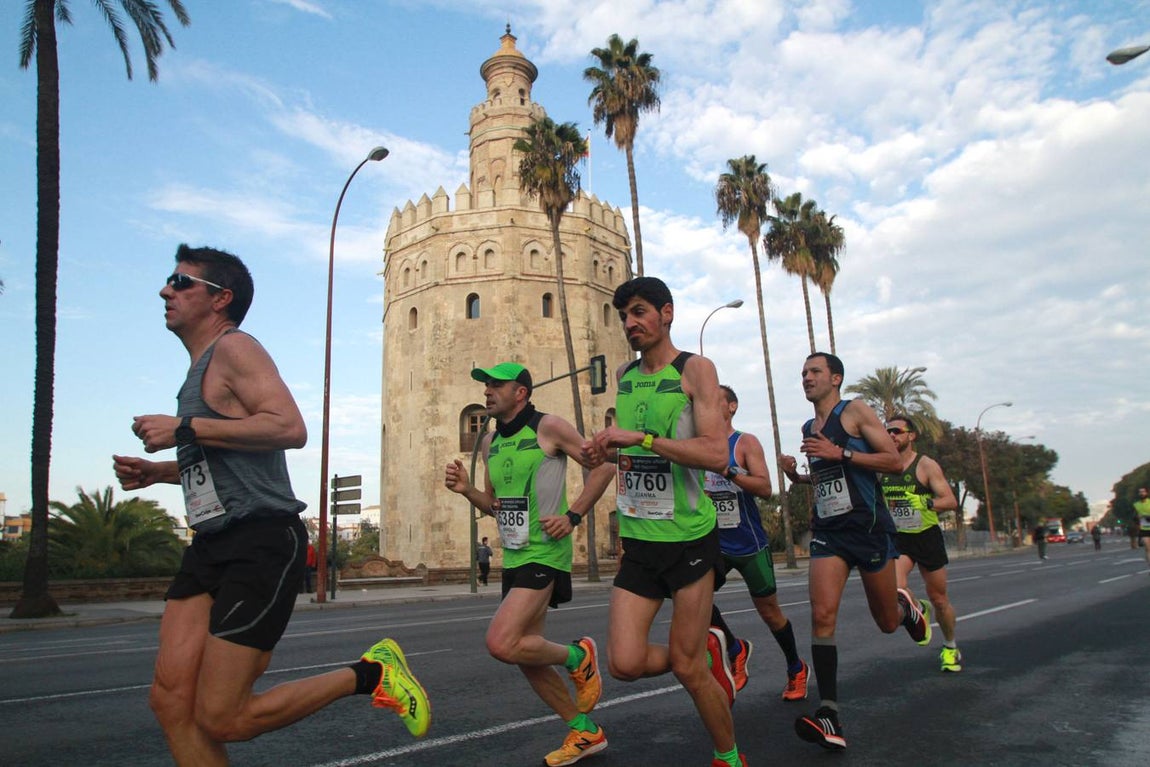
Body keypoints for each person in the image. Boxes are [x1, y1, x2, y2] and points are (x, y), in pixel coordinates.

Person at [112, 245, 430, 765]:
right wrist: (161, 472)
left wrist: (184, 428)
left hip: (260, 541)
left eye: (180, 281)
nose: (165, 290)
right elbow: (226, 464)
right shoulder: (197, 371)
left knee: (224, 718)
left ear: (221, 299)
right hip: (210, 543)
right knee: (169, 702)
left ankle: (371, 673)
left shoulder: (236, 349)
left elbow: (289, 428)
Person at [583, 277, 747, 767]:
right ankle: (711, 647)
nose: (630, 324)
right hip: (639, 540)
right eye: (624, 317)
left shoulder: (695, 370)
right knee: (624, 662)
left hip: (689, 540)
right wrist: (603, 452)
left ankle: (729, 756)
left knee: (689, 669)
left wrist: (643, 438)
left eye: (638, 313)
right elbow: (626, 454)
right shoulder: (625, 376)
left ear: (666, 313)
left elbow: (717, 453)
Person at [444, 362, 614, 767]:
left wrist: (572, 516)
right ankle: (585, 732)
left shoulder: (549, 427)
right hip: (515, 555)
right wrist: (467, 490)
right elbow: (494, 504)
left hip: (546, 552)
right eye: (485, 385)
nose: (487, 391)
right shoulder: (488, 441)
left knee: (501, 642)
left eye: (496, 384)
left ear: (520, 392)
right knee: (524, 654)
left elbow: (603, 467)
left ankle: (578, 657)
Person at [780, 352, 929, 752]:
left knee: (885, 621)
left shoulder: (856, 412)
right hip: (830, 532)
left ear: (836, 378)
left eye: (814, 372)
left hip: (869, 529)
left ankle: (906, 609)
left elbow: (893, 462)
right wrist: (798, 475)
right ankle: (829, 713)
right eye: (803, 373)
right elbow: (829, 477)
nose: (807, 378)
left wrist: (841, 453)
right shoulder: (810, 426)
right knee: (822, 614)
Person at [703, 385, 809, 700]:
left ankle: (795, 667)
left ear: (732, 406)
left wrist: (729, 470)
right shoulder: (699, 447)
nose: (707, 405)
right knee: (693, 600)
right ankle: (735, 648)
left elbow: (764, 488)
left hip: (749, 545)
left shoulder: (744, 443)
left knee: (770, 613)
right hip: (714, 544)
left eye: (715, 400)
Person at [879, 414, 963, 673]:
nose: (892, 436)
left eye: (897, 431)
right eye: (888, 432)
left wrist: (926, 502)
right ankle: (916, 609)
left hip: (926, 535)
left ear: (911, 436)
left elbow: (950, 501)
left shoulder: (925, 465)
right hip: (900, 538)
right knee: (896, 589)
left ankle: (950, 647)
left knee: (939, 599)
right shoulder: (883, 466)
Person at [1135, 487, 1150, 566]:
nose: (1141, 493)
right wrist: (1137, 517)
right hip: (1144, 529)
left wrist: (1145, 515)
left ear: (1146, 493)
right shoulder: (1136, 505)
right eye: (1140, 492)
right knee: (1148, 548)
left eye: (1143, 492)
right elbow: (1135, 517)